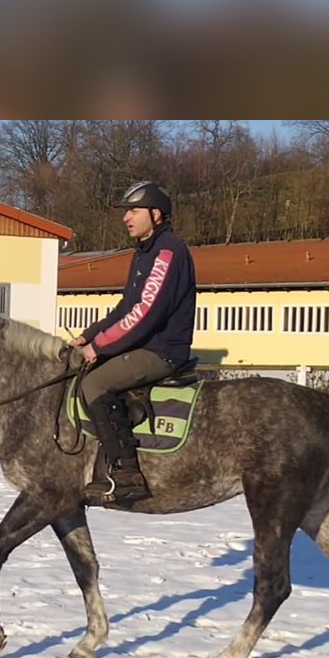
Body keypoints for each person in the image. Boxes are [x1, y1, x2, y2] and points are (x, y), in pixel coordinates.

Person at [69, 180, 197, 504]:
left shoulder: (167, 252)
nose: (127, 217)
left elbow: (144, 314)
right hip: (144, 345)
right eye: (126, 211)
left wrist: (98, 348)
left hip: (162, 351)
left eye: (134, 210)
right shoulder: (143, 253)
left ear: (156, 215)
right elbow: (125, 308)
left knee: (95, 383)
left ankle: (126, 475)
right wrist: (90, 334)